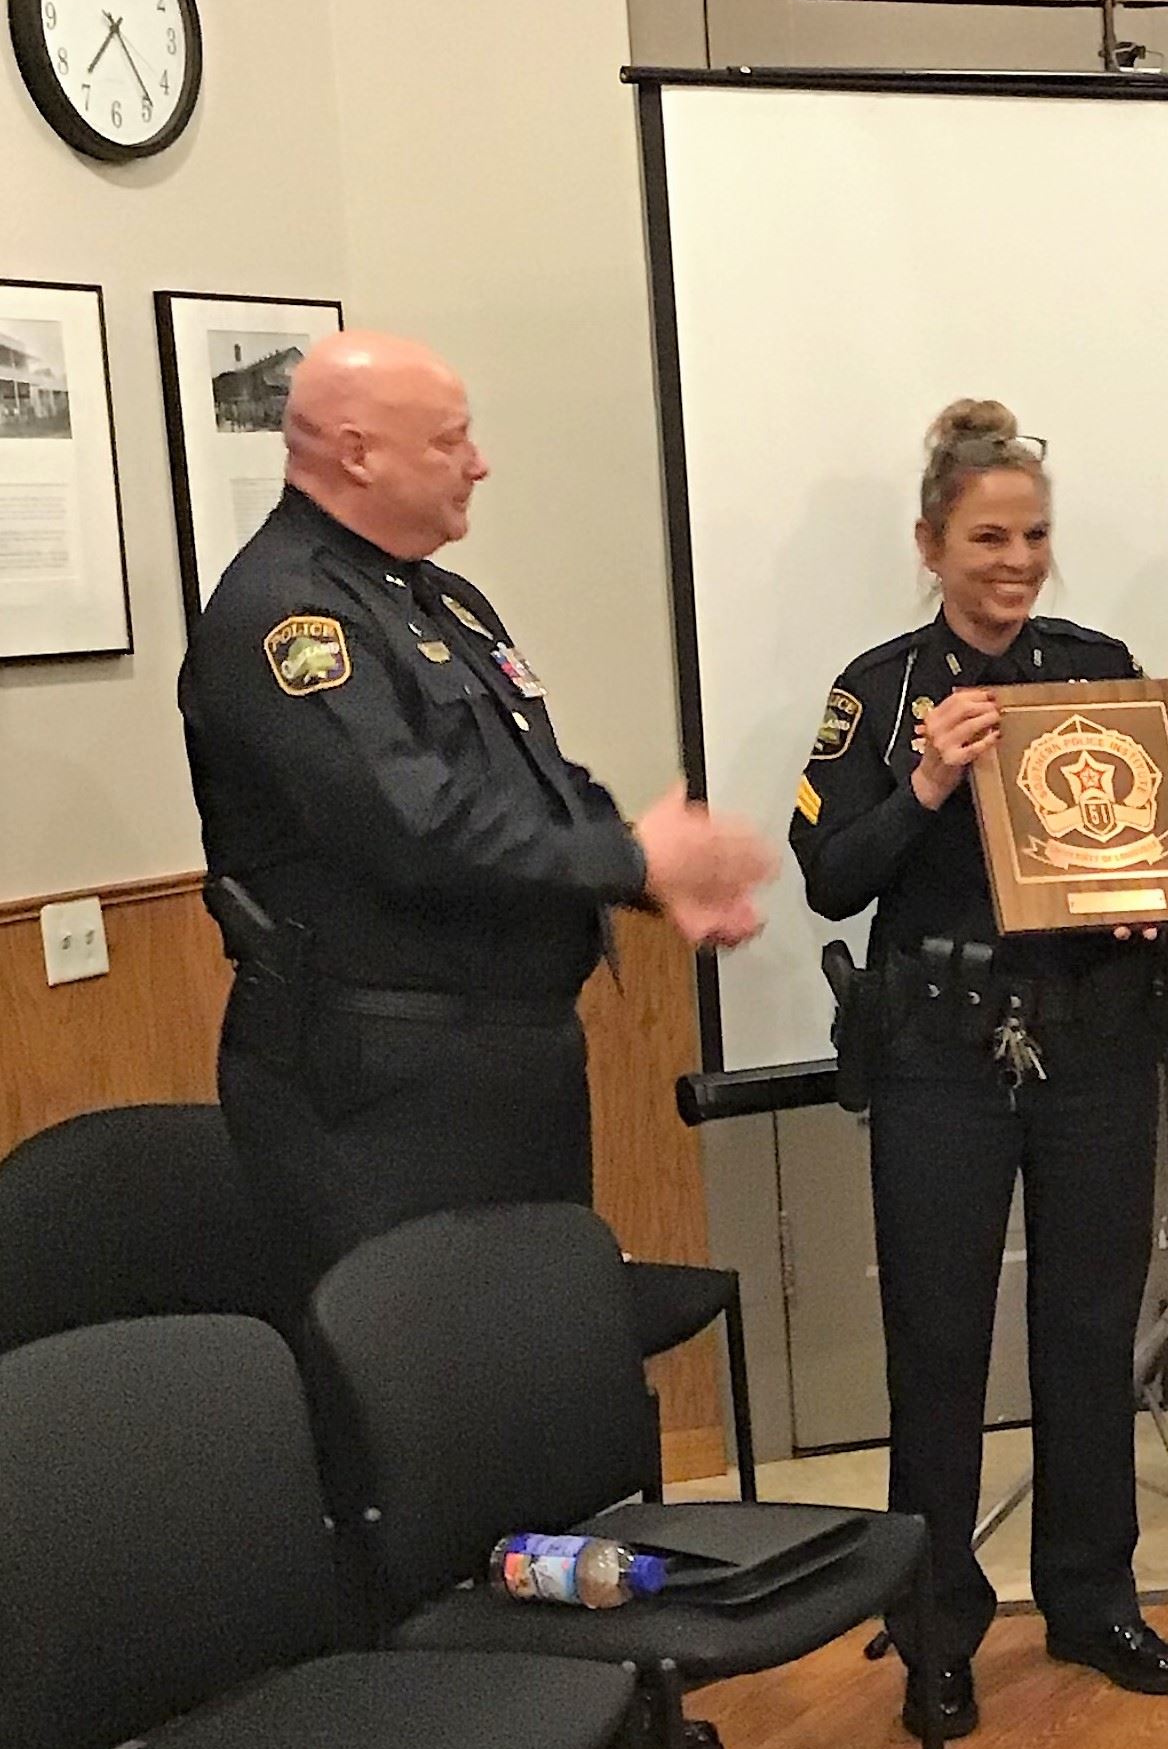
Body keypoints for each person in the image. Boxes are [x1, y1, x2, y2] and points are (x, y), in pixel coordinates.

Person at [179, 329, 773, 1297]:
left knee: (536, 1351)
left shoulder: (438, 597)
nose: (479, 461)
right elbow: (412, 827)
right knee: (420, 1377)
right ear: (358, 450)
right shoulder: (289, 615)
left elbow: (533, 776)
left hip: (503, 1053)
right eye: (450, 440)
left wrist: (658, 880)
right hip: (381, 1080)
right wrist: (631, 860)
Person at [790, 400, 1168, 1740]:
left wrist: (1148, 899)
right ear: (930, 541)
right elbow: (826, 879)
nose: (1013, 561)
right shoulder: (882, 687)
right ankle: (935, 1636)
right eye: (985, 537)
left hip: (1088, 1046)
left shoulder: (1098, 667)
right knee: (939, 1348)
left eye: (1031, 536)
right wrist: (918, 790)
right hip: (940, 1060)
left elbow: (1144, 855)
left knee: (1088, 1336)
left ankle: (1091, 1601)